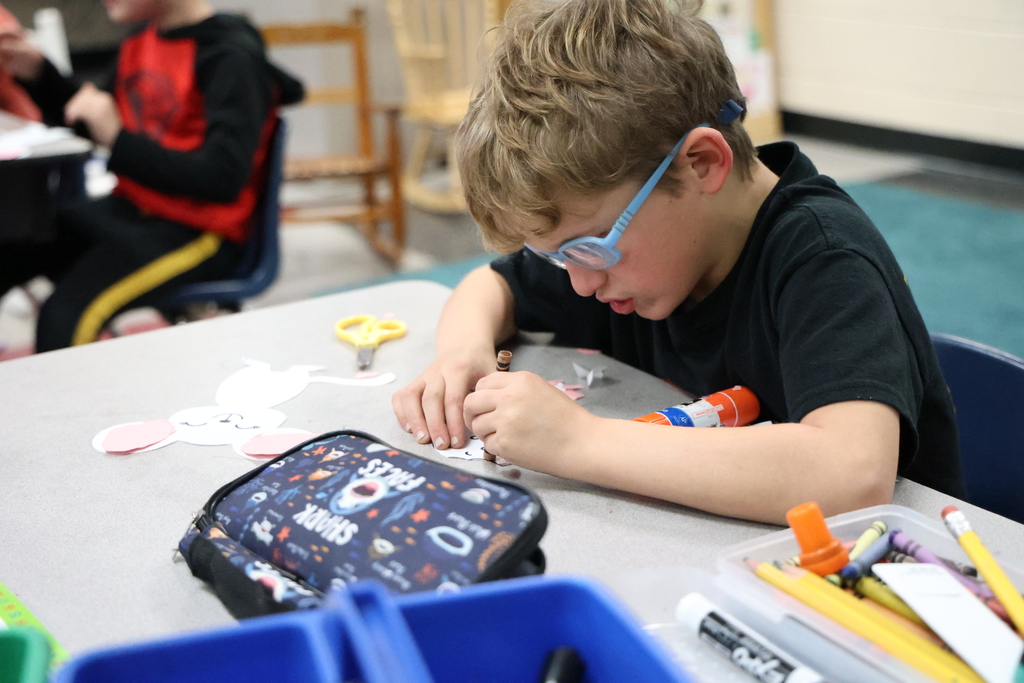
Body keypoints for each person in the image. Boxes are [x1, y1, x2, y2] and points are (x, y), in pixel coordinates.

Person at [391, 0, 965, 524]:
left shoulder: (825, 255)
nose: (582, 284)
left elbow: (849, 475)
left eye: (589, 247)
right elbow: (491, 285)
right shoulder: (632, 245)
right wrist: (462, 352)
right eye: (556, 257)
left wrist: (579, 442)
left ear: (701, 164)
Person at [0, 0, 302, 352]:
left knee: (63, 319)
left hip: (200, 231)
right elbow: (95, 119)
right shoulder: (141, 40)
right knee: (14, 246)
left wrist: (117, 139)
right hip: (133, 208)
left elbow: (222, 180)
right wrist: (39, 74)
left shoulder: (230, 55)